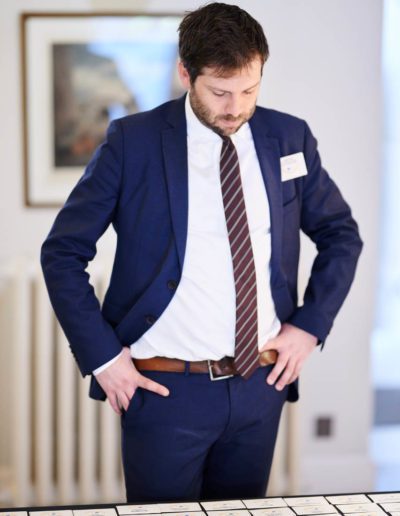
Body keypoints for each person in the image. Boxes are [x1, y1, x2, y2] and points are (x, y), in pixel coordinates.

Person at [41, 2, 363, 504]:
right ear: (185, 74)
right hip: (165, 391)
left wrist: (309, 326)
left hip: (259, 386)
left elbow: (341, 234)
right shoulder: (133, 142)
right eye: (220, 92)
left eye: (249, 90)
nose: (235, 107)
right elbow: (62, 252)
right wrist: (103, 358)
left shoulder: (288, 137)